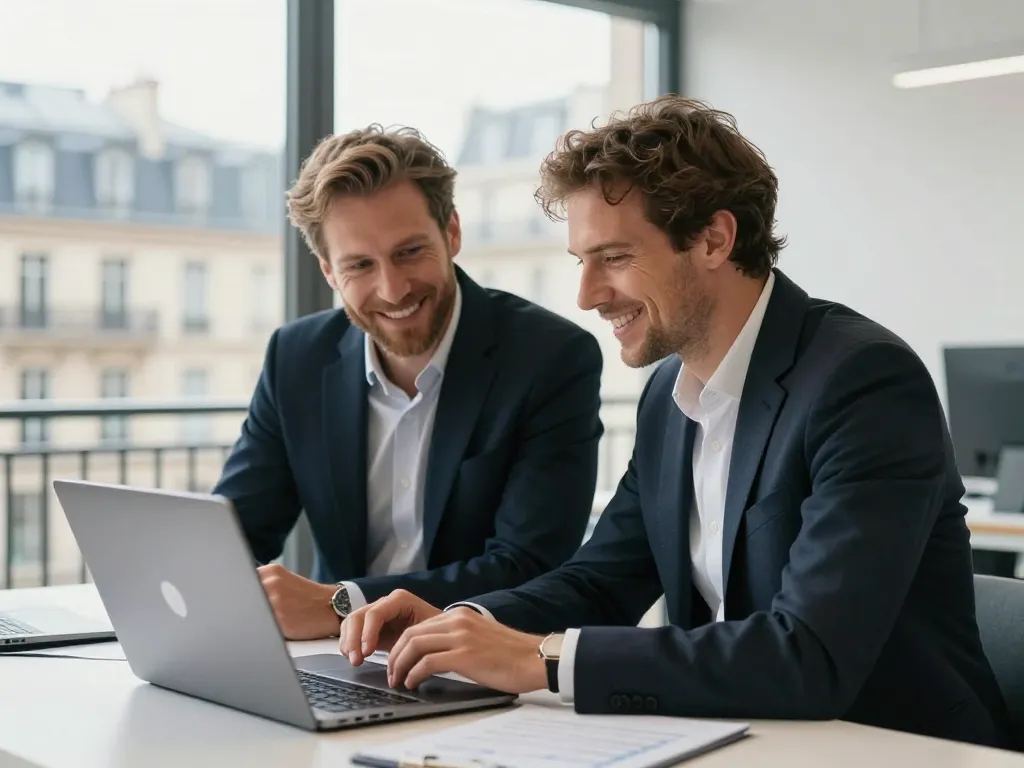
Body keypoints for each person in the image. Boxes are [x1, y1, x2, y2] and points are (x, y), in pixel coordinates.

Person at [337, 97, 1014, 749]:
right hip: (738, 736)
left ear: (715, 238)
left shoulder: (862, 383)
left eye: (615, 258)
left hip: (892, 747)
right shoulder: (669, 391)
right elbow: (603, 579)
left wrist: (542, 660)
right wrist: (467, 623)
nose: (587, 295)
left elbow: (807, 655)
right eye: (582, 262)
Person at [212, 124, 604, 642]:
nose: (392, 289)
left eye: (409, 252)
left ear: (453, 233)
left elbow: (527, 565)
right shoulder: (297, 358)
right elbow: (235, 534)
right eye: (360, 265)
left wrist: (343, 604)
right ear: (329, 271)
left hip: (482, 660)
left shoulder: (550, 358)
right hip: (338, 657)